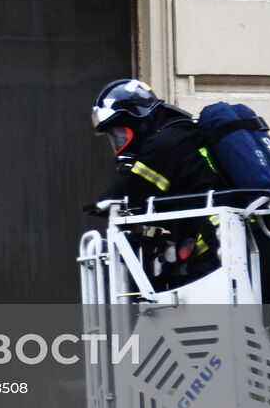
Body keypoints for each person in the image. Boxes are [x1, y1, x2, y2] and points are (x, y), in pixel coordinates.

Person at [89, 78, 229, 284]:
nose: (119, 144)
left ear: (138, 120)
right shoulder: (179, 134)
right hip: (222, 241)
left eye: (120, 134)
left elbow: (132, 189)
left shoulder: (163, 144)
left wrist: (100, 204)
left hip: (216, 244)